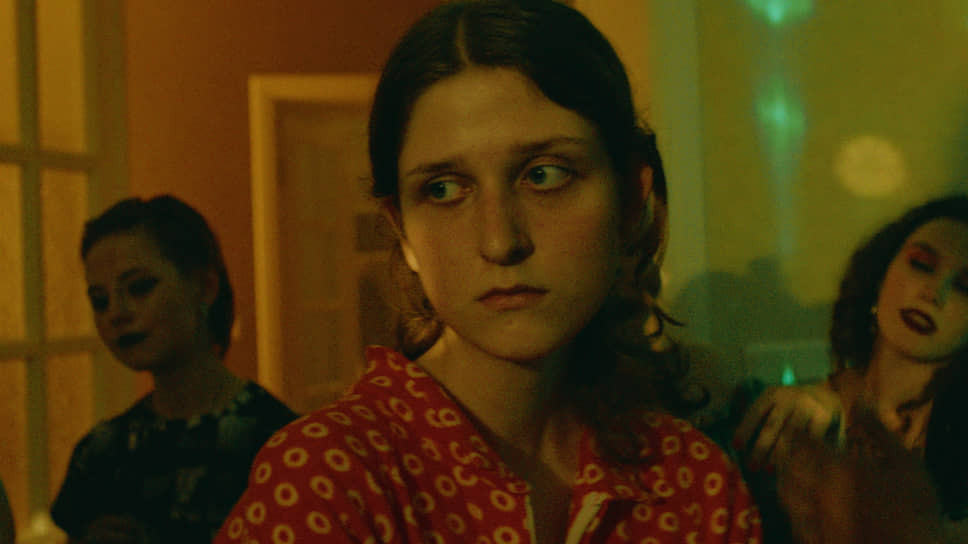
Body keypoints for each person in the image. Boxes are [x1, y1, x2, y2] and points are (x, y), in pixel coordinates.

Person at [216, 2, 760, 543]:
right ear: (402, 231)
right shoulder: (331, 480)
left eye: (544, 175)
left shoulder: (691, 485)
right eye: (445, 189)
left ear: (630, 199)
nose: (500, 241)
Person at [51, 195, 298, 544]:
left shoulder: (277, 444)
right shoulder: (101, 453)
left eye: (139, 288)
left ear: (205, 286)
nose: (116, 313)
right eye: (100, 301)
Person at [732, 195, 968, 540]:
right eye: (921, 264)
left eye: (964, 286)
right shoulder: (795, 414)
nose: (934, 293)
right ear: (880, 276)